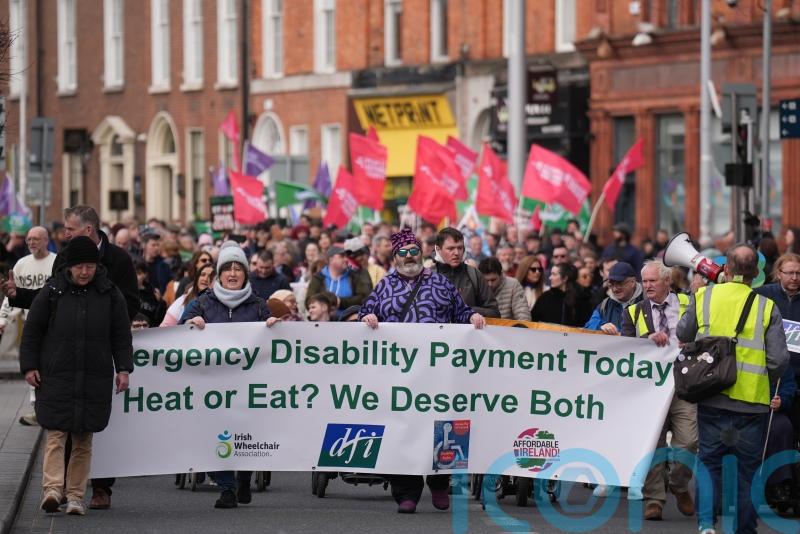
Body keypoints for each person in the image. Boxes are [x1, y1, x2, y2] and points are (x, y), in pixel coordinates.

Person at [3, 205, 138, 509]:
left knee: (83, 438)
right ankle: (53, 490)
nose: (84, 271)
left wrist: (124, 367)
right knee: (56, 434)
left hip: (94, 369)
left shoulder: (111, 287)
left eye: (90, 267)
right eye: (80, 267)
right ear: (70, 267)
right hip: (59, 370)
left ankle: (77, 494)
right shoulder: (56, 286)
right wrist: (30, 365)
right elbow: (37, 323)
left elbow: (121, 331)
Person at [360, 227, 485, 514]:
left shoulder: (440, 283)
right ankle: (406, 490)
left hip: (438, 371)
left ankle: (440, 484)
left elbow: (461, 312)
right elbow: (365, 311)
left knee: (443, 423)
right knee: (401, 427)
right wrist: (366, 316)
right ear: (395, 257)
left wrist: (474, 316)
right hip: (398, 374)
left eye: (413, 251)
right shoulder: (385, 286)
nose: (408, 257)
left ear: (422, 253)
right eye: (402, 253)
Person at [677, 244, 789, 534]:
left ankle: (705, 524)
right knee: (747, 472)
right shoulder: (767, 306)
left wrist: (696, 294)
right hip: (751, 402)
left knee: (709, 463)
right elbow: (778, 361)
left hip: (711, 396)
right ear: (756, 274)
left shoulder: (704, 295)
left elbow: (683, 333)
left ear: (726, 269)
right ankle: (744, 530)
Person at [180, 241, 271, 509]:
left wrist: (272, 327)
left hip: (247, 383)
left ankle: (243, 476)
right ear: (219, 274)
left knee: (245, 433)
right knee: (214, 434)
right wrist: (190, 323)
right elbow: (179, 329)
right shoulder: (204, 302)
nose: (232, 274)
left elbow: (274, 340)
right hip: (212, 385)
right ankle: (226, 487)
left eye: (238, 269)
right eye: (227, 269)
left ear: (245, 273)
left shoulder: (257, 305)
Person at [620, 260, 694, 520]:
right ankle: (654, 500)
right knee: (653, 443)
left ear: (667, 281)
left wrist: (692, 343)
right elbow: (624, 349)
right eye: (645, 281)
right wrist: (646, 341)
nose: (648, 286)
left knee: (689, 441)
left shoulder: (689, 303)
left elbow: (707, 334)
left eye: (653, 280)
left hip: (684, 383)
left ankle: (679, 484)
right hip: (650, 388)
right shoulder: (633, 311)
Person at [433, 227, 499, 318]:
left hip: (469, 332)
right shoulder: (428, 276)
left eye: (460, 248)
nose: (456, 252)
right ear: (438, 249)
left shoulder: (474, 274)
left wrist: (467, 310)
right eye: (450, 248)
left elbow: (494, 313)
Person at [756, 252, 800, 375]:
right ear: (779, 274)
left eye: (798, 273)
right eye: (790, 273)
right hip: (770, 371)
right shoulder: (762, 294)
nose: (795, 277)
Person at [306, 246, 371, 316]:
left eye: (346, 256)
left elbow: (363, 298)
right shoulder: (318, 277)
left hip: (348, 322)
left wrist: (340, 302)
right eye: (342, 256)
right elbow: (309, 301)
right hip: (323, 323)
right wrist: (324, 303)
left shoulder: (355, 276)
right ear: (331, 259)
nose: (346, 259)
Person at [584, 262, 643, 334]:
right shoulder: (605, 305)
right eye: (611, 284)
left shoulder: (647, 302)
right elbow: (588, 326)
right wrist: (601, 325)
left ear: (633, 282)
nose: (615, 289)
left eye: (619, 283)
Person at [531, 262, 593, 327]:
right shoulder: (545, 298)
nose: (550, 278)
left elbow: (587, 325)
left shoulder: (581, 299)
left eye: (554, 274)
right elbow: (533, 320)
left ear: (565, 278)